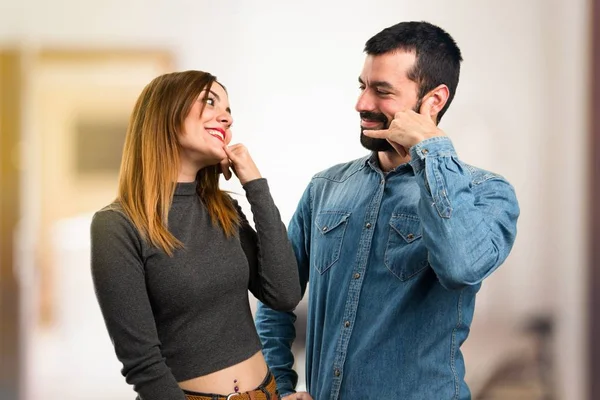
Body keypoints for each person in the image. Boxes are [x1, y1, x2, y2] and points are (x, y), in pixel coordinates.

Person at [255, 21, 520, 400]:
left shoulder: (487, 192)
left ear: (433, 101)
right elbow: (276, 300)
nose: (362, 103)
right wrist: (278, 389)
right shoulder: (325, 188)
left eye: (382, 91)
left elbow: (461, 266)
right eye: (363, 86)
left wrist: (433, 149)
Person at [90, 70, 301, 400]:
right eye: (210, 101)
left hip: (267, 392)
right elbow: (143, 364)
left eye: (229, 111)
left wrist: (256, 186)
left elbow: (284, 294)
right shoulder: (117, 226)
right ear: (167, 113)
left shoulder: (225, 209)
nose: (226, 118)